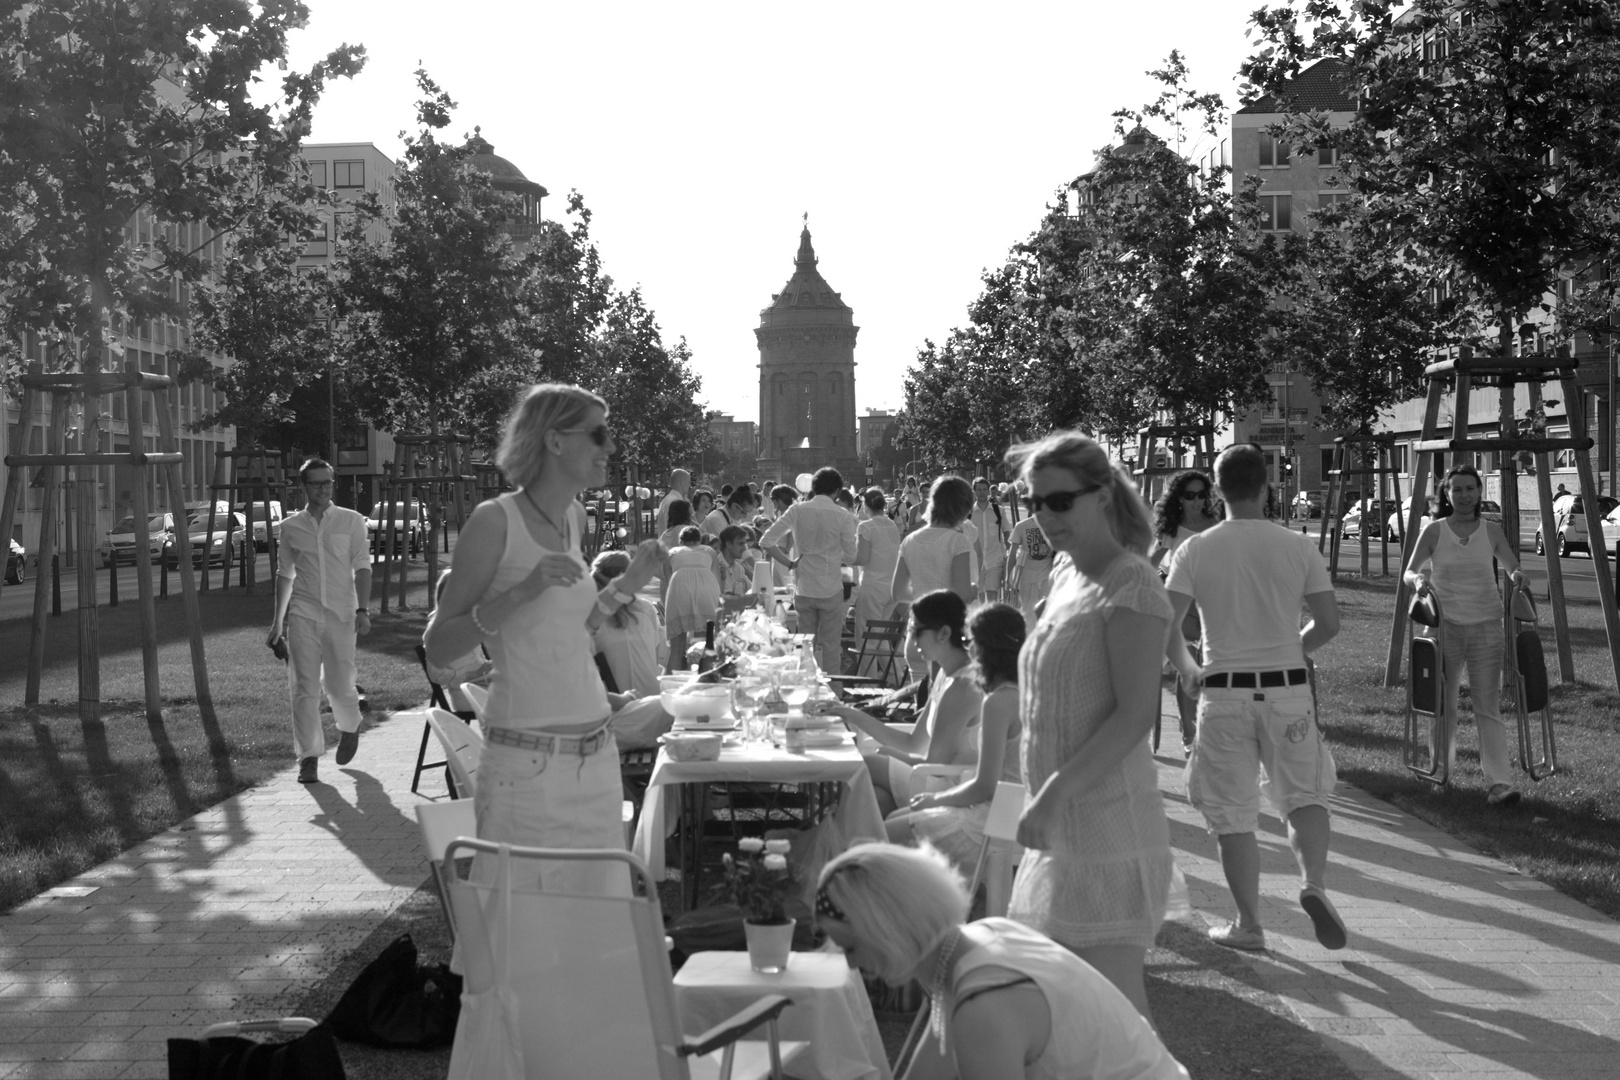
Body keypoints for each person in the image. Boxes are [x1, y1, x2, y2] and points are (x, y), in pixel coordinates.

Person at [425, 384, 663, 893]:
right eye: (598, 434)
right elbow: (439, 645)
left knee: (593, 929)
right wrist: (520, 592)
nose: (611, 447)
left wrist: (624, 589)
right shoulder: (495, 522)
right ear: (555, 441)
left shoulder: (574, 517)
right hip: (528, 765)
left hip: (596, 755)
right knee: (527, 938)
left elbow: (570, 634)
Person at [1003, 430, 1176, 1023]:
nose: (1045, 517)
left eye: (1059, 501)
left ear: (1101, 495)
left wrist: (1052, 795)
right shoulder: (1063, 576)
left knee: (1118, 1015)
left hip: (1105, 825)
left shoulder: (1130, 581)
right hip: (1057, 823)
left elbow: (1134, 714)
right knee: (1065, 1016)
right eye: (1033, 503)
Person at [1166, 443, 1346, 954]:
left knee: (1231, 813)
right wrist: (1294, 648)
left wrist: (1189, 669)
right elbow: (1329, 623)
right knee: (1305, 795)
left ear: (1216, 491)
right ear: (1265, 487)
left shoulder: (1195, 550)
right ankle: (1313, 882)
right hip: (1288, 688)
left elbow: (1169, 624)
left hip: (1224, 691)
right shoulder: (1297, 545)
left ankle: (1249, 924)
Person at [815, 844, 1190, 1080]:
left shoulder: (984, 1001)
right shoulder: (979, 941)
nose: (850, 964)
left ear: (888, 930)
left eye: (852, 946)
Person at [1402, 464, 1526, 807]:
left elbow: (1511, 564)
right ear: (1446, 493)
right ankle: (1440, 774)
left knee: (1488, 707)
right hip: (1444, 627)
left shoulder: (1491, 530)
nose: (1464, 495)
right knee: (1444, 705)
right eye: (1457, 489)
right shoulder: (1435, 530)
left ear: (1479, 492)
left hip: (1487, 625)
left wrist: (1517, 575)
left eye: (1470, 488)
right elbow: (1409, 571)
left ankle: (1499, 784)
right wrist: (1418, 581)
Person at [886, 603, 1024, 867]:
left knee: (882, 832)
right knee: (894, 818)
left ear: (984, 646)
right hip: (1009, 816)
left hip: (993, 824)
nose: (967, 649)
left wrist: (934, 800)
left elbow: (985, 786)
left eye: (969, 640)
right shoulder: (1025, 690)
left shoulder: (998, 702)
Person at [825, 590, 982, 818]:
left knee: (860, 765)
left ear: (944, 633)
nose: (912, 639)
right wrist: (850, 714)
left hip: (949, 788)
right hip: (930, 776)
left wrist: (888, 754)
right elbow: (913, 743)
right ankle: (851, 842)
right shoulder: (944, 675)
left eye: (916, 630)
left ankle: (828, 837)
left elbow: (934, 764)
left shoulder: (962, 686)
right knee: (877, 799)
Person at [267, 458, 372, 785]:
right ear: (304, 486)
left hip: (342, 616)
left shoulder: (352, 521)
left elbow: (363, 567)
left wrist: (363, 610)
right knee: (303, 688)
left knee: (340, 685)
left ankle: (350, 724)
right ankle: (308, 758)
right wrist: (276, 624)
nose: (323, 489)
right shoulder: (290, 527)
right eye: (316, 483)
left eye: (327, 482)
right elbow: (285, 575)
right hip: (303, 615)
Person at [762, 467, 858, 676]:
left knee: (806, 649)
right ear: (836, 491)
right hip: (831, 588)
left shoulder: (797, 510)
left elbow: (766, 540)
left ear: (813, 487)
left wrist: (789, 563)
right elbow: (851, 557)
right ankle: (834, 695)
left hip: (804, 588)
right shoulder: (843, 516)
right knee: (832, 649)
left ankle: (806, 694)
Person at [1150, 470, 1219, 756]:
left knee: (1211, 669)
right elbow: (1150, 563)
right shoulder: (1171, 529)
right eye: (1189, 495)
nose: (1196, 501)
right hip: (1180, 603)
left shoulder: (1216, 525)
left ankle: (1209, 729)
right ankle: (1189, 735)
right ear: (1179, 497)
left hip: (1212, 601)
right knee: (1188, 667)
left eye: (1201, 494)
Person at [893, 476, 974, 605]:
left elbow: (898, 593)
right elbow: (963, 594)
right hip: (948, 620)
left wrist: (922, 599)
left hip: (917, 621)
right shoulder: (958, 541)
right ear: (961, 509)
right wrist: (972, 591)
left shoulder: (909, 541)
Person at [851, 487, 903, 674]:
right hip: (892, 586)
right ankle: (894, 677)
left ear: (865, 506)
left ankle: (866, 679)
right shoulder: (892, 526)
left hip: (873, 585)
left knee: (865, 637)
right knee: (880, 638)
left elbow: (862, 558)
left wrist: (845, 557)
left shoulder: (865, 526)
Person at [662, 525, 722, 670]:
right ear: (699, 541)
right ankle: (704, 681)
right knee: (706, 644)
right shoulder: (709, 551)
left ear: (680, 541)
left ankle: (671, 685)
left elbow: (668, 579)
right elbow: (716, 578)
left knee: (676, 648)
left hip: (679, 587)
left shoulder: (671, 552)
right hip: (706, 589)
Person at [1005, 507, 1055, 633]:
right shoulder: (1021, 526)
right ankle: (1028, 642)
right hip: (1027, 576)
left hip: (1047, 575)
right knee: (1028, 613)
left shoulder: (1054, 524)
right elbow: (1012, 553)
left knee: (1047, 612)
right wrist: (1008, 576)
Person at [970, 477, 1008, 602]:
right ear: (974, 491)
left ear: (988, 491)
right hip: (975, 563)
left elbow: (1006, 533)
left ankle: (993, 620)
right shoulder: (968, 513)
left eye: (984, 489)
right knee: (979, 597)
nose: (982, 492)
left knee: (992, 595)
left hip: (995, 561)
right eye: (979, 489)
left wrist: (1008, 556)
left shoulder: (999, 511)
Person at [713, 524, 758, 613]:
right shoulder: (716, 565)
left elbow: (753, 590)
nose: (744, 548)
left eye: (745, 544)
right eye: (740, 544)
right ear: (728, 544)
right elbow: (727, 598)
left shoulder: (738, 568)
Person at [654, 468, 691, 536]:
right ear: (682, 482)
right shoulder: (677, 503)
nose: (689, 486)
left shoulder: (666, 500)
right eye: (688, 482)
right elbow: (679, 531)